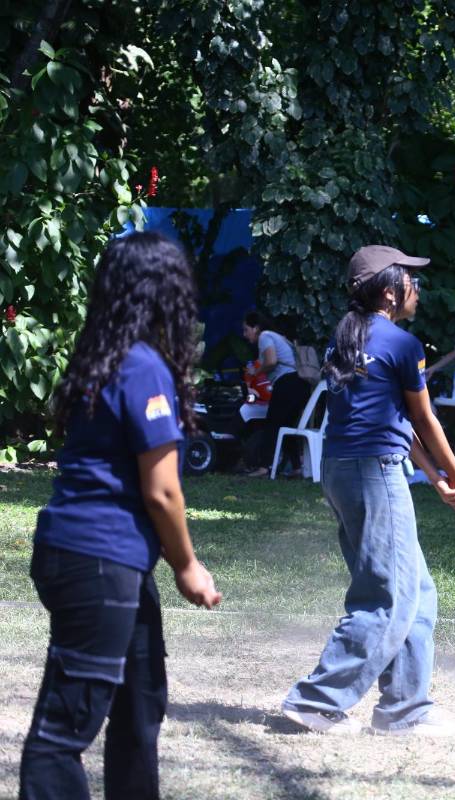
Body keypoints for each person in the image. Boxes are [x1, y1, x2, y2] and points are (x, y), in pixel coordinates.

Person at [19, 233, 223, 799]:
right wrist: (188, 566)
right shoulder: (141, 367)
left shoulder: (105, 358)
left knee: (140, 702)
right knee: (63, 732)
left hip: (103, 557)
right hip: (97, 558)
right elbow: (162, 491)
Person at [281, 245, 455, 737]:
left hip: (345, 468)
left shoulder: (346, 336)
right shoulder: (401, 343)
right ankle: (316, 701)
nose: (420, 289)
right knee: (386, 596)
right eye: (413, 281)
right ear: (391, 293)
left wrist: (435, 480)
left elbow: (387, 422)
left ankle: (404, 710)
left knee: (417, 591)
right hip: (373, 473)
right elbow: (423, 419)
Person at [242, 311, 308, 476]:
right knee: (287, 426)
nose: (245, 335)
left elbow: (271, 361)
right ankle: (296, 468)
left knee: (272, 424)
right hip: (300, 384)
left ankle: (264, 467)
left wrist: (256, 372)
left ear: (255, 328)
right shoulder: (278, 337)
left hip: (287, 383)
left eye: (246, 330)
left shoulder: (265, 336)